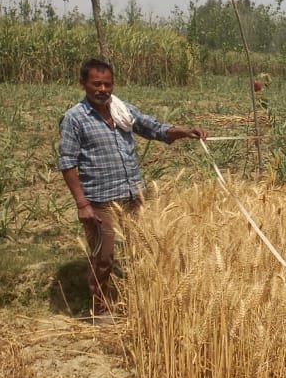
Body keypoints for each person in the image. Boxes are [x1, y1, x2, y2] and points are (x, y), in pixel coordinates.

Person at [58, 57, 207, 323]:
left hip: (132, 195)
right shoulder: (75, 118)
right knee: (104, 256)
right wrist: (82, 203)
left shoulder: (121, 109)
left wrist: (185, 131)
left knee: (141, 249)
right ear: (83, 84)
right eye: (96, 84)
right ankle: (100, 308)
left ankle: (140, 300)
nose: (103, 89)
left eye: (108, 84)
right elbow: (67, 163)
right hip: (101, 200)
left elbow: (154, 128)